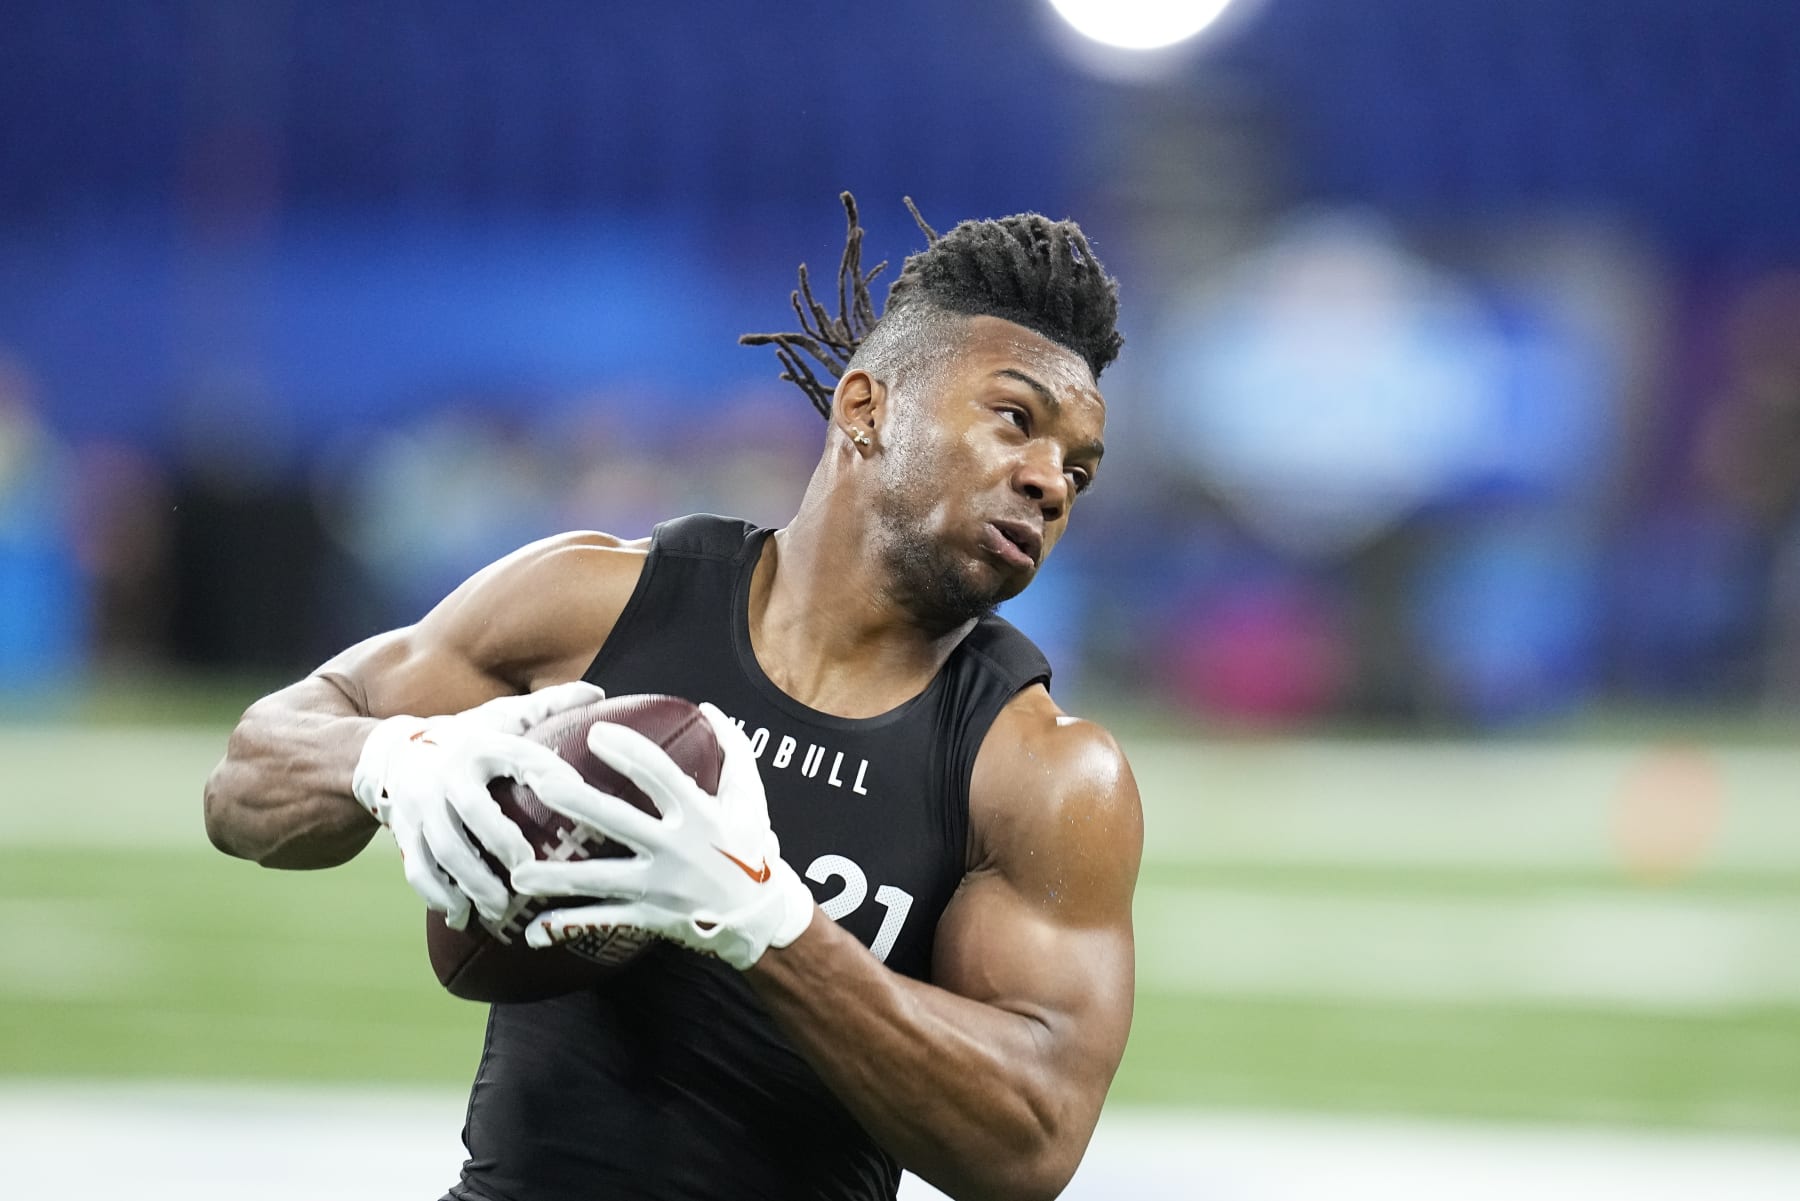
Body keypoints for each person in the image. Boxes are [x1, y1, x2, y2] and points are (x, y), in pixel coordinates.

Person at [204, 194, 1143, 1201]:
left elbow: (1030, 1145)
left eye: (1079, 470)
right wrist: (393, 764)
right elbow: (242, 784)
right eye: (1016, 419)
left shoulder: (1041, 769)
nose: (1050, 480)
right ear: (865, 407)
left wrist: (767, 921)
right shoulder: (595, 605)